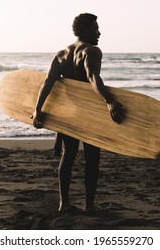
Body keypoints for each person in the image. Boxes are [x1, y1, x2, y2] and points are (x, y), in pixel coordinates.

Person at [31, 13, 124, 213]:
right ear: (85, 30)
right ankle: (89, 205)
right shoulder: (92, 51)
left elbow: (49, 83)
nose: (99, 33)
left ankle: (64, 203)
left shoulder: (61, 54)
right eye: (95, 28)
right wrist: (109, 101)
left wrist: (38, 109)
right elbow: (93, 78)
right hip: (88, 114)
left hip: (68, 115)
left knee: (68, 156)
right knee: (92, 160)